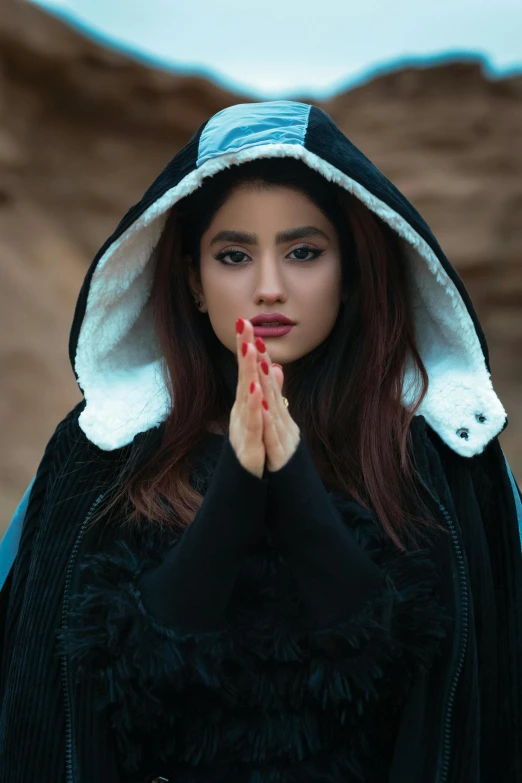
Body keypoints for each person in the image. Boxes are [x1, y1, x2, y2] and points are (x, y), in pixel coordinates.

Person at [0, 100, 521, 783]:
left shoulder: (441, 457)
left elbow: (412, 685)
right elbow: (110, 696)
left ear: (351, 272)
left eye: (304, 252)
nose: (269, 287)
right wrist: (240, 481)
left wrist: (293, 472)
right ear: (193, 279)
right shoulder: (103, 451)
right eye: (234, 254)